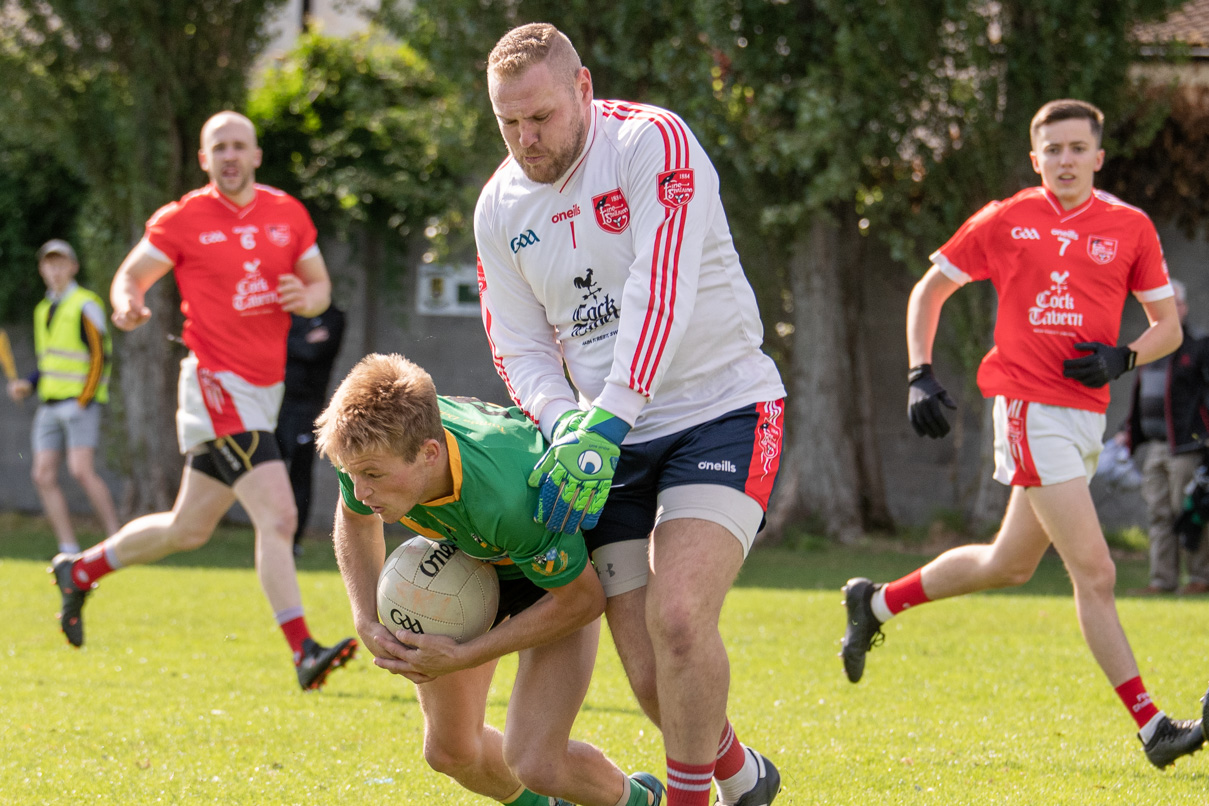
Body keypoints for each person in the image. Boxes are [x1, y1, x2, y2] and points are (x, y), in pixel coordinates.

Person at [475, 24, 786, 806]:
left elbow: (663, 290)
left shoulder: (652, 142)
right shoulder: (498, 204)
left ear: (583, 87)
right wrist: (563, 424)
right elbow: (517, 342)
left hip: (719, 410)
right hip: (600, 445)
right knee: (650, 673)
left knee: (679, 620)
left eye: (539, 117)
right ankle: (744, 776)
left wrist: (607, 418)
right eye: (507, 123)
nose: (525, 139)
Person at [840, 99, 1204, 769]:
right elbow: (927, 291)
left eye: (1076, 148)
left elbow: (1168, 329)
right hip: (1028, 409)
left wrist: (1122, 357)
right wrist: (919, 373)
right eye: (1051, 149)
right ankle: (1153, 729)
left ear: (1098, 156)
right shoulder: (1005, 219)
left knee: (1008, 563)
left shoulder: (1129, 227)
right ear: (1034, 158)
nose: (1064, 160)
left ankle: (875, 603)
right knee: (1094, 572)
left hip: (1084, 416)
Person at [48, 111, 357, 692]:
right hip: (215, 384)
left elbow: (320, 289)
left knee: (187, 529)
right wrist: (128, 303)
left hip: (263, 392)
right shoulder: (183, 218)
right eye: (220, 147)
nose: (231, 155)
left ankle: (80, 569)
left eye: (240, 145)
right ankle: (303, 650)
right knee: (280, 513)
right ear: (204, 159)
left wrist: (307, 298)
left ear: (257, 155)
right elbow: (131, 275)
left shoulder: (287, 213)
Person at [316, 352, 664, 806]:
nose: (361, 491)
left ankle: (643, 802)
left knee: (538, 762)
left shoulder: (511, 497)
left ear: (429, 454)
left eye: (372, 477)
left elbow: (582, 600)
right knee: (450, 752)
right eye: (351, 474)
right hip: (474, 560)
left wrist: (463, 655)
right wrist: (364, 618)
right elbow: (356, 519)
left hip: (554, 582)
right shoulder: (367, 450)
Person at [8, 239, 120, 556]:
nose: (54, 270)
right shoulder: (43, 309)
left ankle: (116, 539)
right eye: (48, 264)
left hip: (78, 404)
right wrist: (28, 384)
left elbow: (100, 355)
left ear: (73, 267)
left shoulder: (86, 303)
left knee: (81, 471)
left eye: (60, 264)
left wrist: (83, 400)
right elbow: (50, 362)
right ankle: (68, 547)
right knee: (42, 474)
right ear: (42, 269)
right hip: (49, 405)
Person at [1116, 279, 1209, 595]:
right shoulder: (1150, 349)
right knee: (1158, 513)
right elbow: (1141, 396)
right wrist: (1126, 431)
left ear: (1182, 308)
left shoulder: (1198, 347)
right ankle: (1162, 580)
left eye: (1172, 304)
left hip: (1186, 447)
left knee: (1190, 511)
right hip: (1155, 447)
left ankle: (1200, 577)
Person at [275, 304, 345, 556]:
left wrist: (284, 341)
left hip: (306, 410)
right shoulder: (285, 313)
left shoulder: (333, 317)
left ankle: (294, 540)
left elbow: (312, 351)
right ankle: (271, 533)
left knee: (299, 474)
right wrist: (294, 341)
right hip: (274, 406)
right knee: (268, 472)